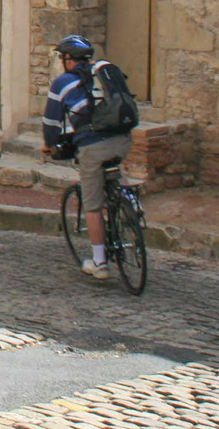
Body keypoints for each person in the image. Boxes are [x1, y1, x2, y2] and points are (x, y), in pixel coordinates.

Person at [40, 34, 133, 279]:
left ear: (68, 59)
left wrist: (49, 145)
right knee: (112, 168)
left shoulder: (63, 83)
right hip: (123, 140)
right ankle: (128, 200)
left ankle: (100, 263)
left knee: (92, 205)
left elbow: (51, 121)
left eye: (63, 58)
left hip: (92, 146)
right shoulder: (105, 73)